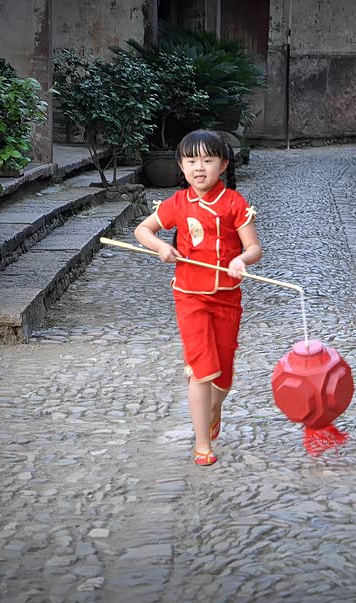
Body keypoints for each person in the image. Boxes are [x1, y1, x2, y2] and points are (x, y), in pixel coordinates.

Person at [135, 130, 262, 466]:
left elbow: (254, 248)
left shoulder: (236, 204)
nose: (199, 168)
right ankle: (202, 443)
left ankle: (215, 406)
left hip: (227, 297)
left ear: (223, 164)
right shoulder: (177, 203)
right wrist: (162, 246)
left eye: (208, 160)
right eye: (191, 161)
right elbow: (142, 230)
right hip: (190, 297)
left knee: (222, 376)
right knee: (200, 369)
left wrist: (241, 260)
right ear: (181, 165)